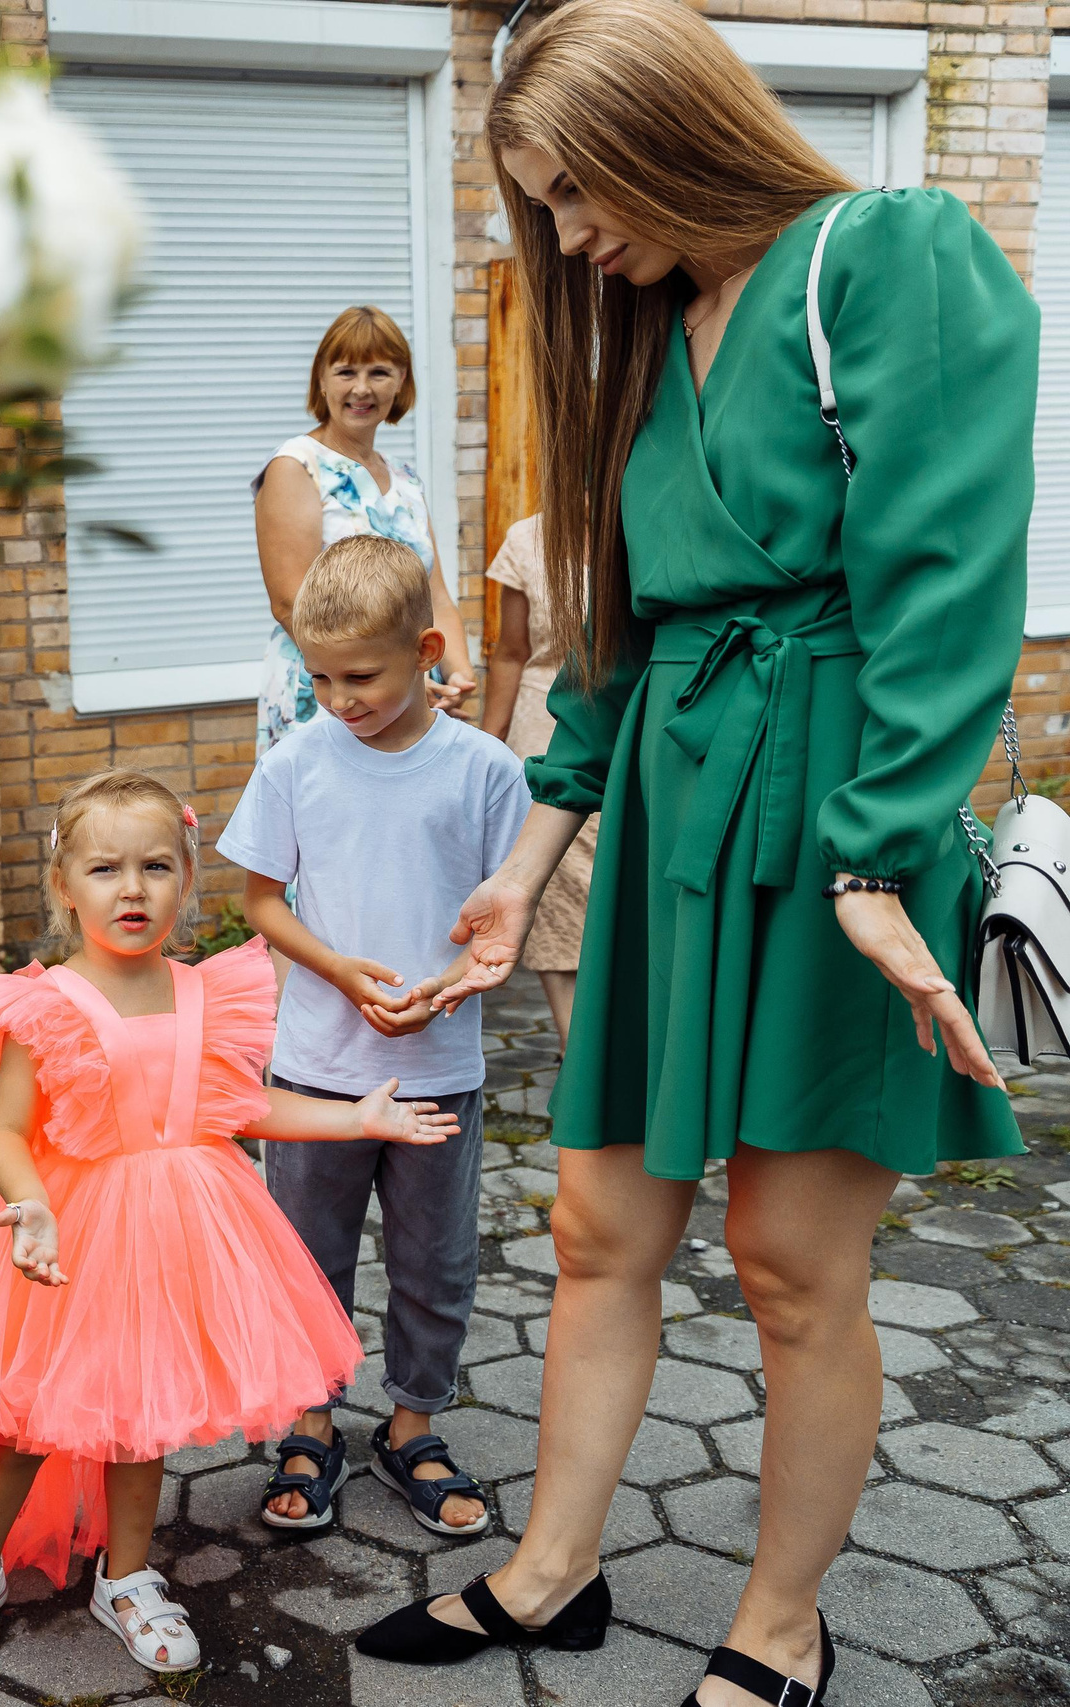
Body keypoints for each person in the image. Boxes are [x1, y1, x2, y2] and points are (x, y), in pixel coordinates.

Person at [356, 6, 1032, 1705]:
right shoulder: (645, 333)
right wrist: (526, 860)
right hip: (672, 795)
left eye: (580, 192)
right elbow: (614, 639)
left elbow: (949, 575)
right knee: (598, 1225)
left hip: (832, 802)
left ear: (674, 130)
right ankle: (551, 1574)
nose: (573, 237)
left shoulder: (880, 252)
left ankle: (781, 1627)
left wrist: (879, 859)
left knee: (793, 1261)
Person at [0, 769, 462, 1679]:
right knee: (22, 1420)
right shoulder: (45, 1003)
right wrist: (29, 1203)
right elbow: (7, 1130)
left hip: (174, 1229)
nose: (131, 888)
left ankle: (128, 1576)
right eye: (105, 868)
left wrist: (354, 1118)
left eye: (154, 866)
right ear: (65, 887)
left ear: (187, 878)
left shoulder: (204, 991)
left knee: (140, 1418)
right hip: (61, 1233)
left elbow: (238, 1109)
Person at [217, 535, 531, 1541]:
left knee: (434, 1261)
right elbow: (261, 901)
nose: (338, 697)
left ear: (427, 649)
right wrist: (339, 971)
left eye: (361, 675)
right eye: (317, 676)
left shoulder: (483, 770)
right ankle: (310, 1424)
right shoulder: (296, 760)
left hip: (438, 1068)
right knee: (306, 1261)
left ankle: (410, 1425)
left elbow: (500, 922)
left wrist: (449, 988)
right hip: (316, 1072)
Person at [251, 306, 476, 753]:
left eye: (379, 372)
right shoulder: (297, 465)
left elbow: (434, 596)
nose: (361, 388)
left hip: (406, 693)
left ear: (402, 381)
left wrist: (459, 674)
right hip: (328, 693)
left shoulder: (407, 480)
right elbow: (288, 601)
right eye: (345, 371)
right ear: (321, 380)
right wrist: (375, 679)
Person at [481, 512, 596, 1042]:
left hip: (641, 730)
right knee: (558, 902)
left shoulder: (659, 517)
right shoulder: (526, 539)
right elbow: (511, 653)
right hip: (546, 731)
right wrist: (487, 745)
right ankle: (577, 1058)